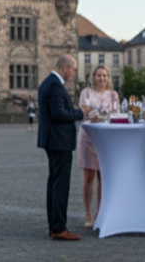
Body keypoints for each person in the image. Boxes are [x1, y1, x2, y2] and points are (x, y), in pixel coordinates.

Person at [37, 54, 84, 241]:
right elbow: (59, 114)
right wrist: (81, 113)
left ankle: (54, 224)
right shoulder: (55, 86)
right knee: (60, 185)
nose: (73, 74)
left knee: (54, 183)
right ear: (65, 67)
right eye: (73, 69)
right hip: (59, 141)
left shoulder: (47, 83)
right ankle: (58, 227)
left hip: (52, 140)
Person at [77, 65, 119, 228]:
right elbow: (84, 112)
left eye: (105, 76)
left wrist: (99, 114)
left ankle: (100, 212)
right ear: (93, 77)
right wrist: (98, 114)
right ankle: (87, 213)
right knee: (88, 175)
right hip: (88, 136)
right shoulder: (86, 93)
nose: (102, 78)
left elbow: (115, 114)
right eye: (99, 75)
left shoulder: (113, 95)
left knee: (103, 176)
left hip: (106, 138)